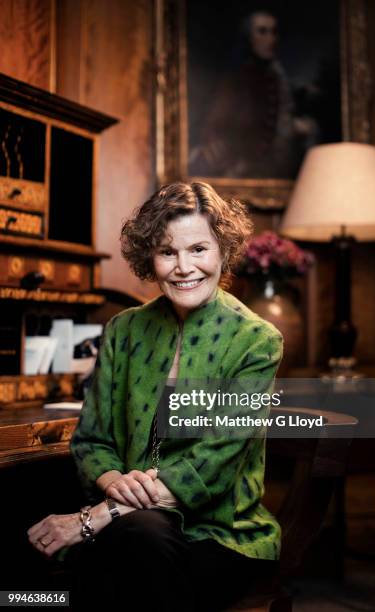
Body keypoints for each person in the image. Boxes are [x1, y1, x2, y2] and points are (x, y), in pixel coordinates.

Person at [27, 182, 283, 611]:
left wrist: (92, 519)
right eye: (168, 252)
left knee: (128, 545)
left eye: (199, 249)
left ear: (223, 250)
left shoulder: (256, 341)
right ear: (150, 258)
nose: (184, 267)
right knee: (36, 536)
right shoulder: (124, 330)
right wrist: (113, 480)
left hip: (220, 533)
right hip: (132, 526)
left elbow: (212, 467)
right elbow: (92, 440)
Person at [189, 10, 318, 179]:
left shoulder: (278, 77)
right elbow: (217, 123)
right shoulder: (237, 79)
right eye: (262, 31)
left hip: (272, 165)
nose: (270, 39)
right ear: (249, 38)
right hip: (242, 164)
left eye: (273, 32)